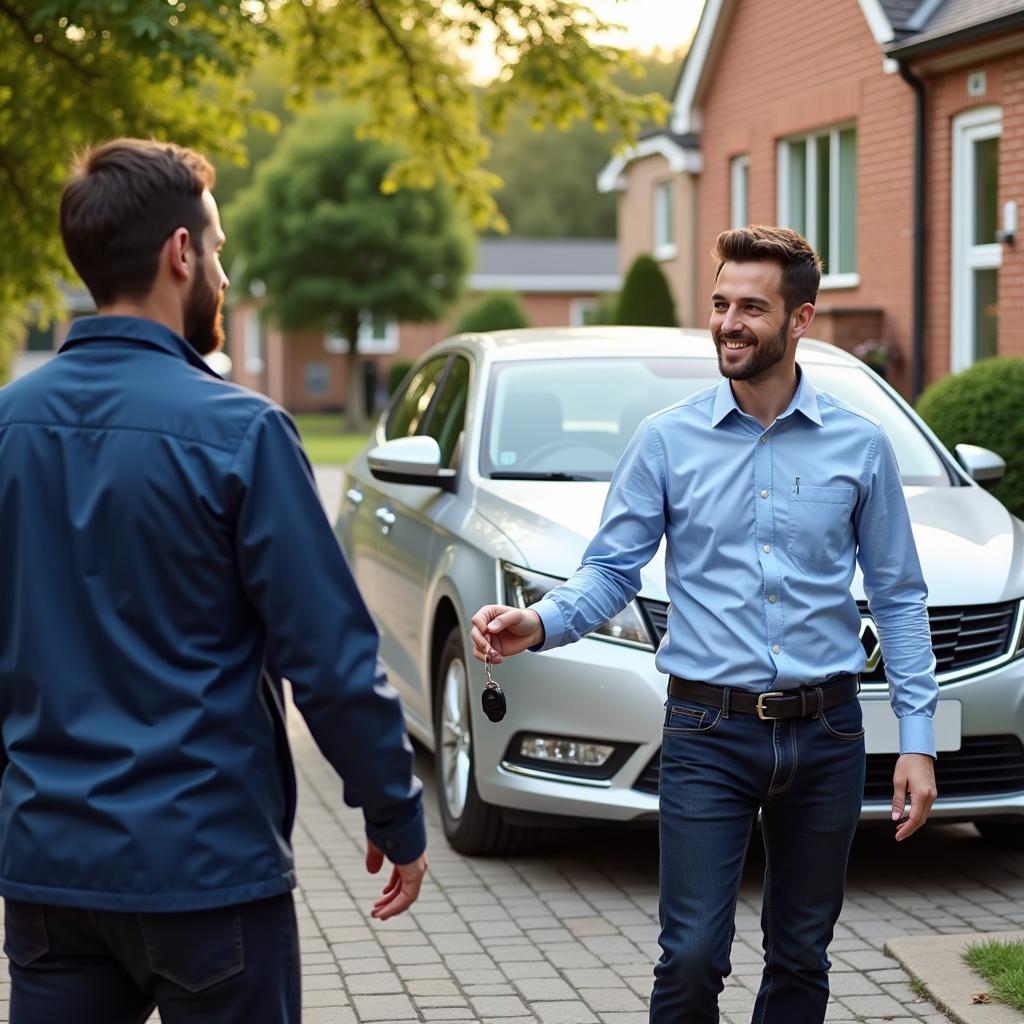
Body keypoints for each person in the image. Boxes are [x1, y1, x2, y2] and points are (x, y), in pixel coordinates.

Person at [0, 138, 428, 1023]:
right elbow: (331, 661)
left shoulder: (8, 427)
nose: (226, 275)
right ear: (180, 254)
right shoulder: (244, 434)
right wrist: (395, 810)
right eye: (220, 248)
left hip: (49, 874)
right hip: (206, 874)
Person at [471, 225, 938, 1024]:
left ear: (801, 320)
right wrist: (540, 623)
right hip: (706, 729)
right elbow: (612, 570)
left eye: (752, 307)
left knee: (800, 954)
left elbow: (897, 595)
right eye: (720, 304)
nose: (728, 322)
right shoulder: (666, 440)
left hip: (827, 732)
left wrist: (918, 738)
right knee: (690, 955)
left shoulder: (860, 447)